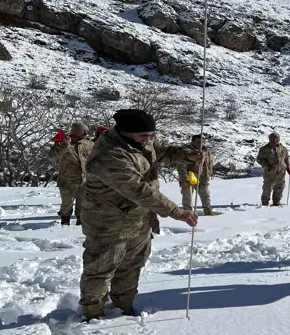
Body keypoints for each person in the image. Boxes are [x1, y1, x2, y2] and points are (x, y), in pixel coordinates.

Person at [78, 109, 200, 321]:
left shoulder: (138, 141)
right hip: (107, 222)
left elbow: (159, 150)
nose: (148, 140)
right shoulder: (110, 156)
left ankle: (123, 306)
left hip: (138, 219)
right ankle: (92, 313)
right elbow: (140, 191)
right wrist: (176, 212)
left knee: (132, 265)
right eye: (144, 136)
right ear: (125, 132)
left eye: (150, 136)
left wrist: (185, 155)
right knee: (100, 267)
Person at [49, 122, 94, 226]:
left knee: (82, 206)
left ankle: (80, 226)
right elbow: (52, 156)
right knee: (66, 206)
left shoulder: (88, 144)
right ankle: (65, 225)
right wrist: (64, 145)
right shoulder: (62, 142)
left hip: (85, 180)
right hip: (68, 181)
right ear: (76, 131)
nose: (86, 133)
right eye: (83, 131)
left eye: (86, 131)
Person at [177, 135, 216, 216]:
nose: (201, 144)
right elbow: (181, 167)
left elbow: (208, 165)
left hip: (202, 177)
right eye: (198, 142)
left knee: (205, 194)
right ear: (193, 141)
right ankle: (188, 214)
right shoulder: (186, 151)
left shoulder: (206, 151)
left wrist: (207, 175)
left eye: (203, 142)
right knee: (188, 196)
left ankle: (208, 211)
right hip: (189, 176)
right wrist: (185, 179)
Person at [256, 132, 290, 206]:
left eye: (276, 138)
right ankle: (265, 203)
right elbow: (259, 159)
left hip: (281, 172)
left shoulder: (283, 148)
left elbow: (286, 158)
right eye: (273, 138)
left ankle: (276, 202)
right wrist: (267, 165)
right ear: (269, 139)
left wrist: (288, 168)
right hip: (270, 172)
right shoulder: (264, 149)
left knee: (280, 186)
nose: (275, 140)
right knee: (267, 187)